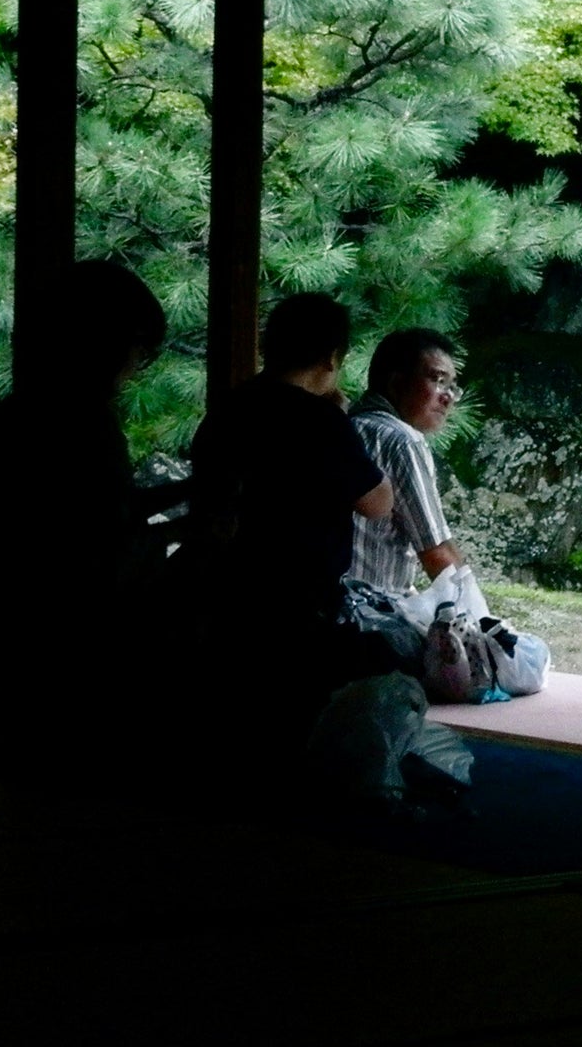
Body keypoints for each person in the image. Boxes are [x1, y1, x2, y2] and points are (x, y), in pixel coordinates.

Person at [0, 260, 170, 752]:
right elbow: (102, 550)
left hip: (17, 646)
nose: (135, 365)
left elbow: (97, 516)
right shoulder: (86, 427)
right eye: (136, 350)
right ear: (106, 344)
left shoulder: (15, 416)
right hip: (79, 655)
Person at [186, 292, 397, 741]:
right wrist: (342, 423)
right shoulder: (320, 420)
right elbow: (377, 504)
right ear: (332, 357)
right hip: (295, 597)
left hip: (222, 585)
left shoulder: (230, 407)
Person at [347, 327, 467, 599]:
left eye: (452, 387)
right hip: (368, 614)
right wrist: (480, 618)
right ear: (396, 382)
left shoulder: (345, 426)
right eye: (438, 381)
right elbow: (436, 553)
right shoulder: (402, 441)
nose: (447, 398)